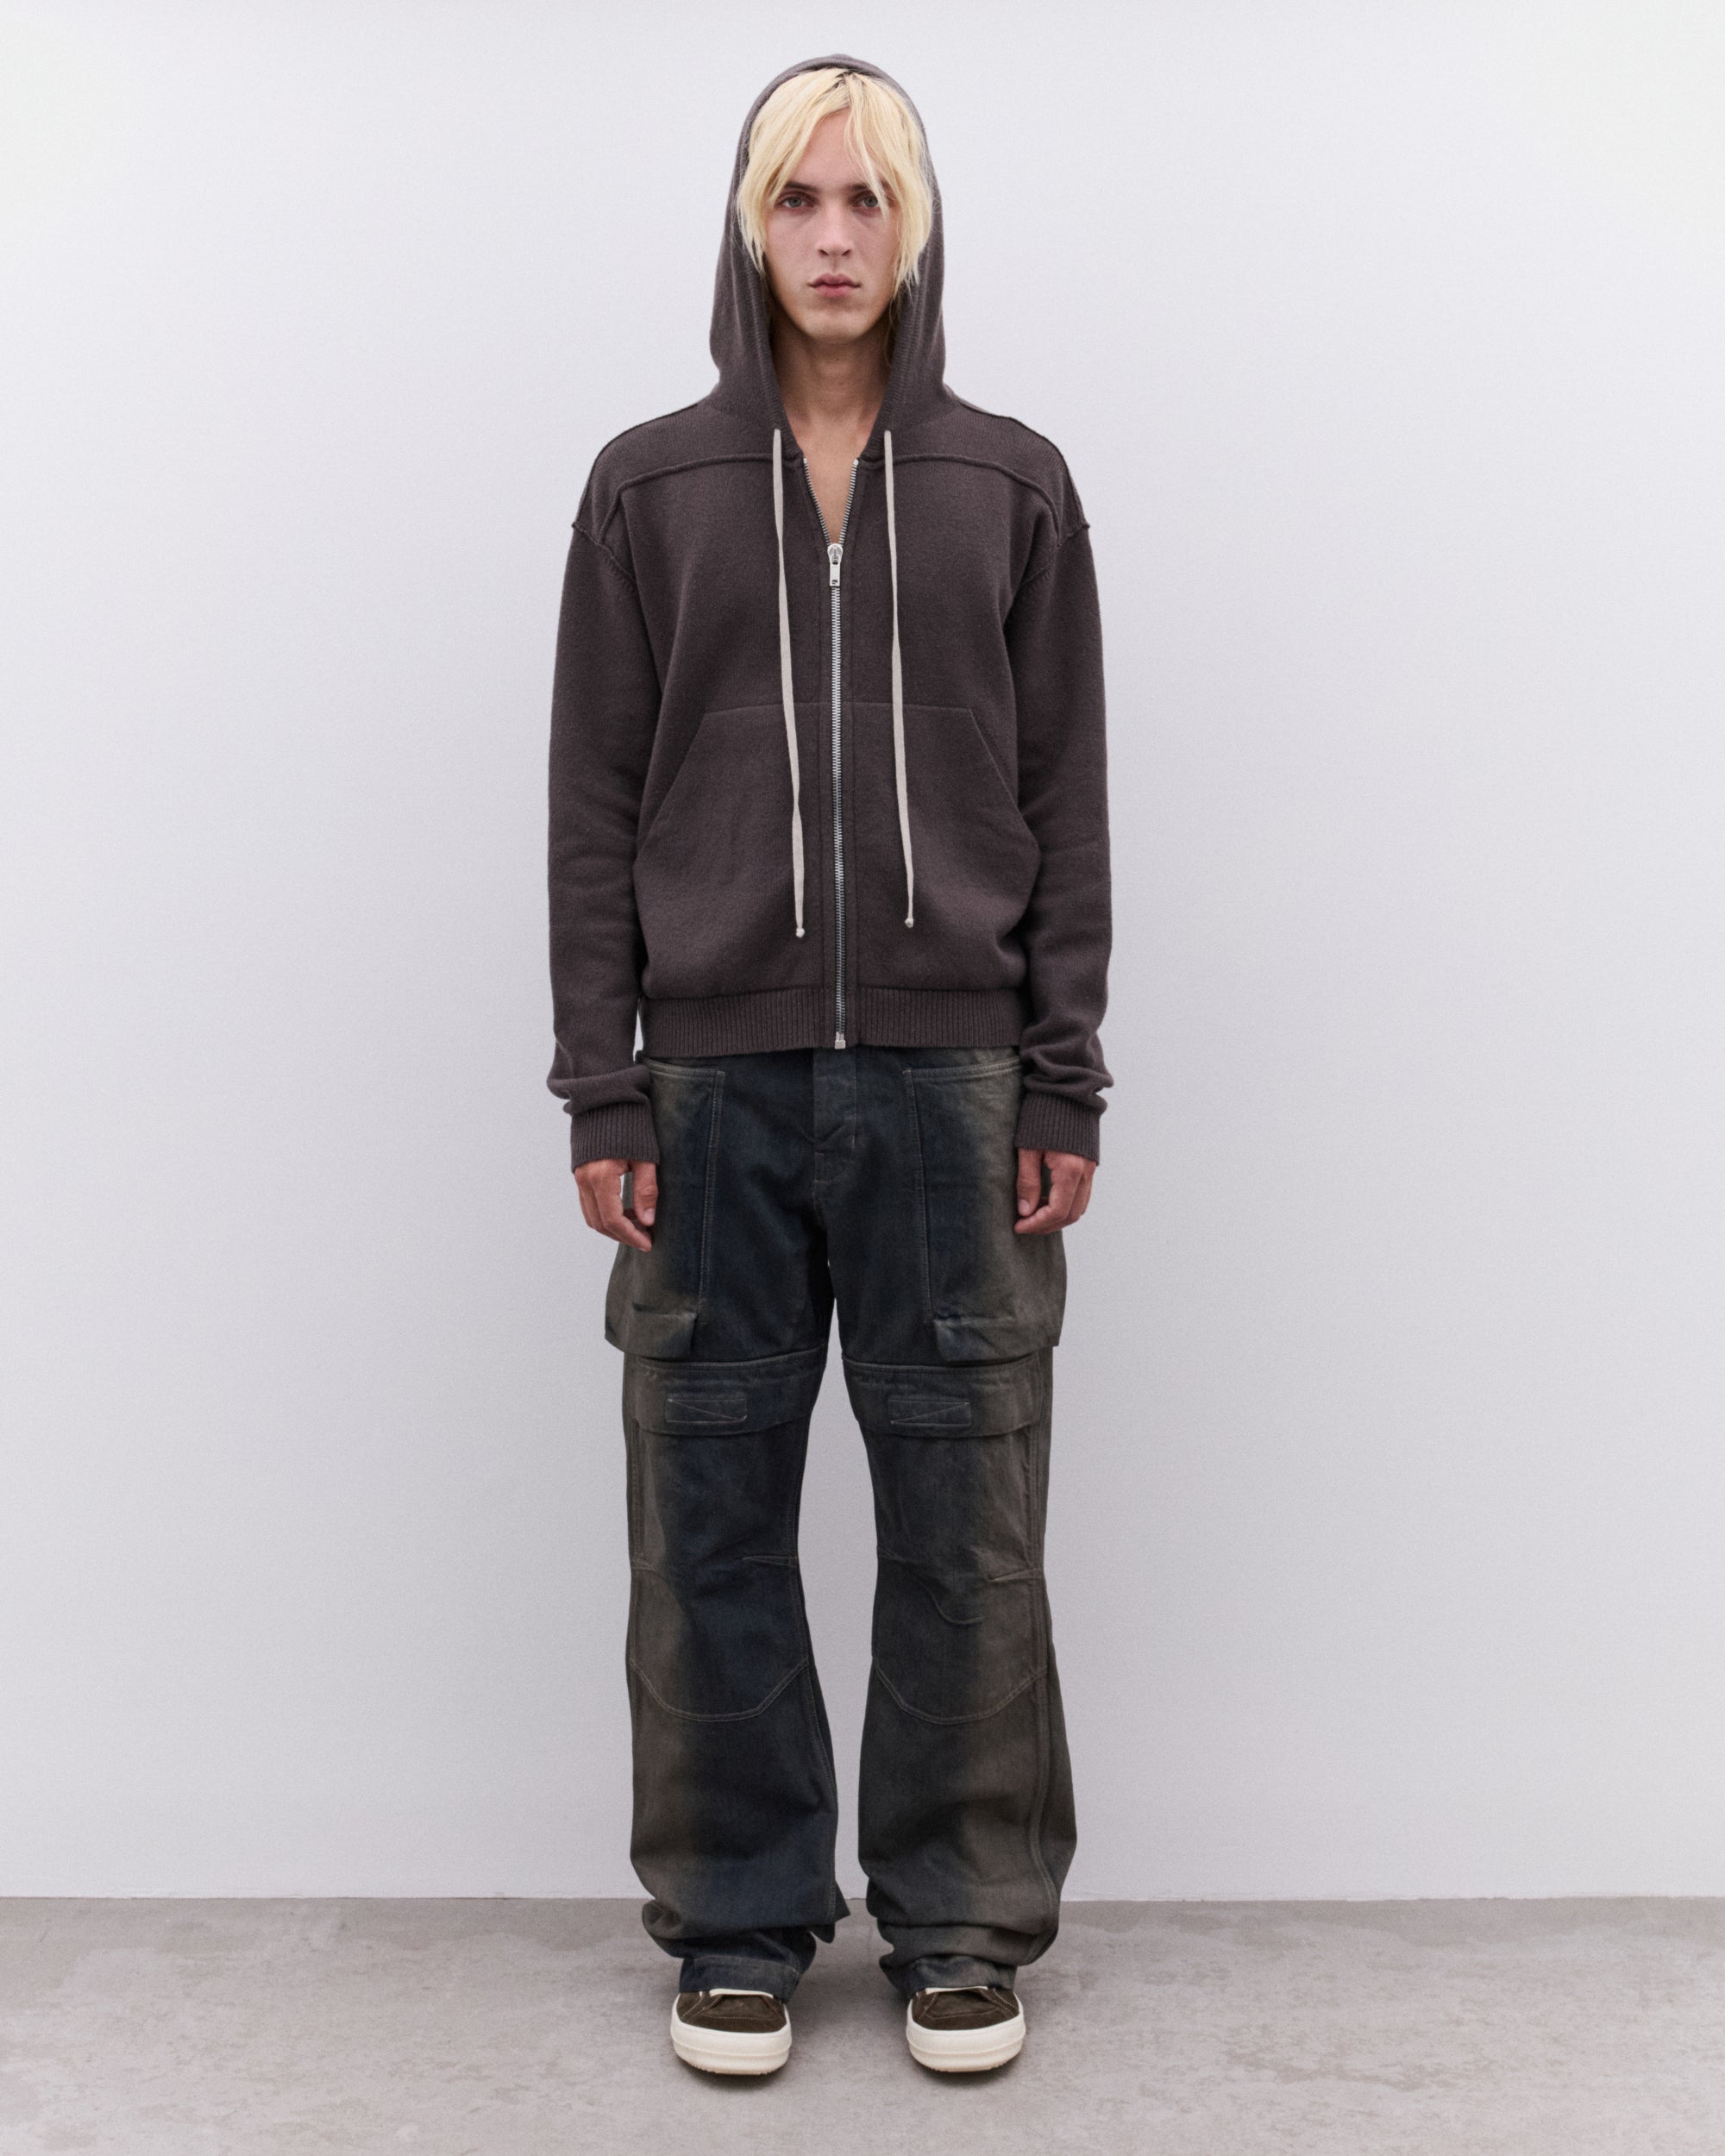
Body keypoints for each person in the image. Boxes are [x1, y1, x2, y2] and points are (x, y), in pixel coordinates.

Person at [546, 53, 1112, 2078]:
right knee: (704, 1517)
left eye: (868, 199)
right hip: (708, 1093)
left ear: (916, 227)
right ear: (749, 224)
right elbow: (593, 803)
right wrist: (604, 1083)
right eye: (799, 198)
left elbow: (1064, 795)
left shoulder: (1011, 483)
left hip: (959, 1088)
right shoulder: (647, 487)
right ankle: (738, 1915)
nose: (835, 236)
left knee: (970, 1522)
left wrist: (1063, 1075)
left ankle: (960, 1918)